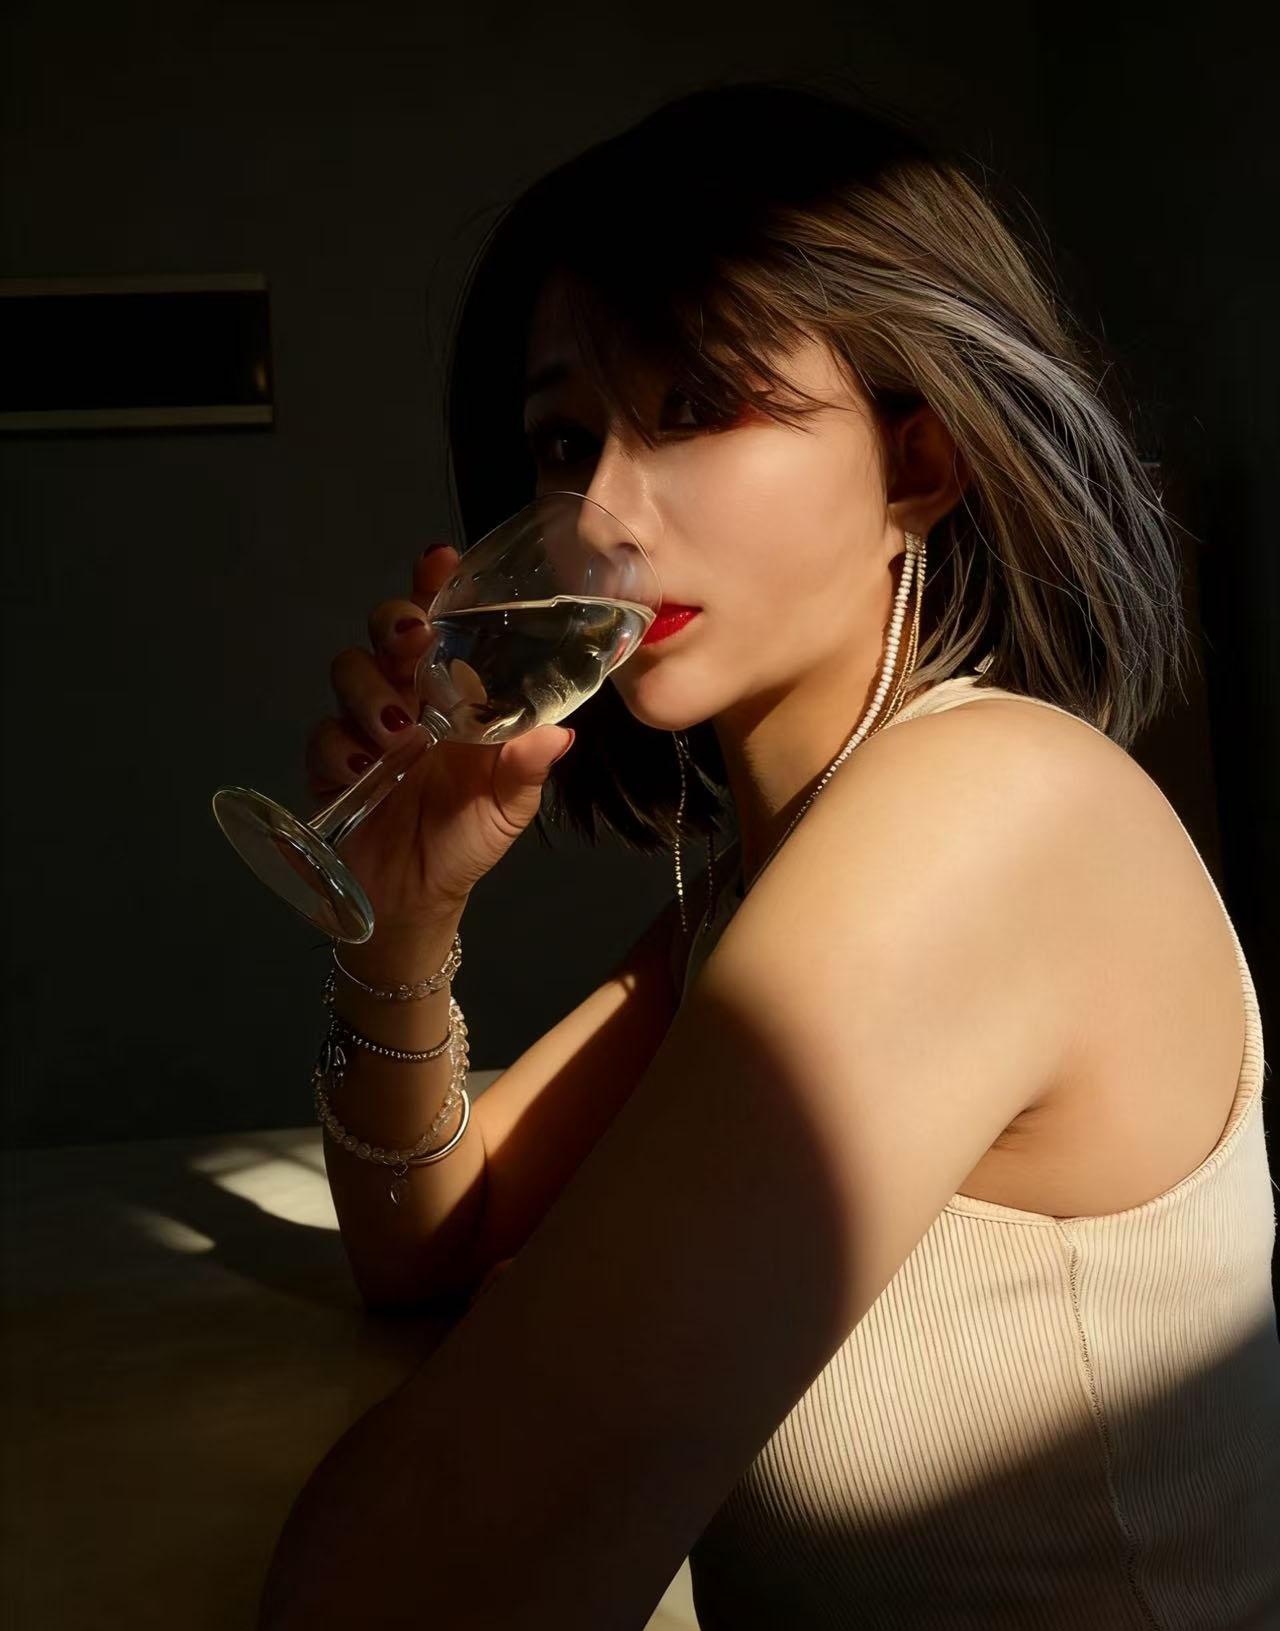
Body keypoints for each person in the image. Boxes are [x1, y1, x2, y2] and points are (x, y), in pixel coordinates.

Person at [262, 77, 1279, 1630]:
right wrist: (402, 931)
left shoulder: (991, 812)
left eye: (693, 406)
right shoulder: (757, 894)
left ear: (917, 463)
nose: (599, 513)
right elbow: (428, 1242)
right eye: (564, 438)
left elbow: (413, 1585)